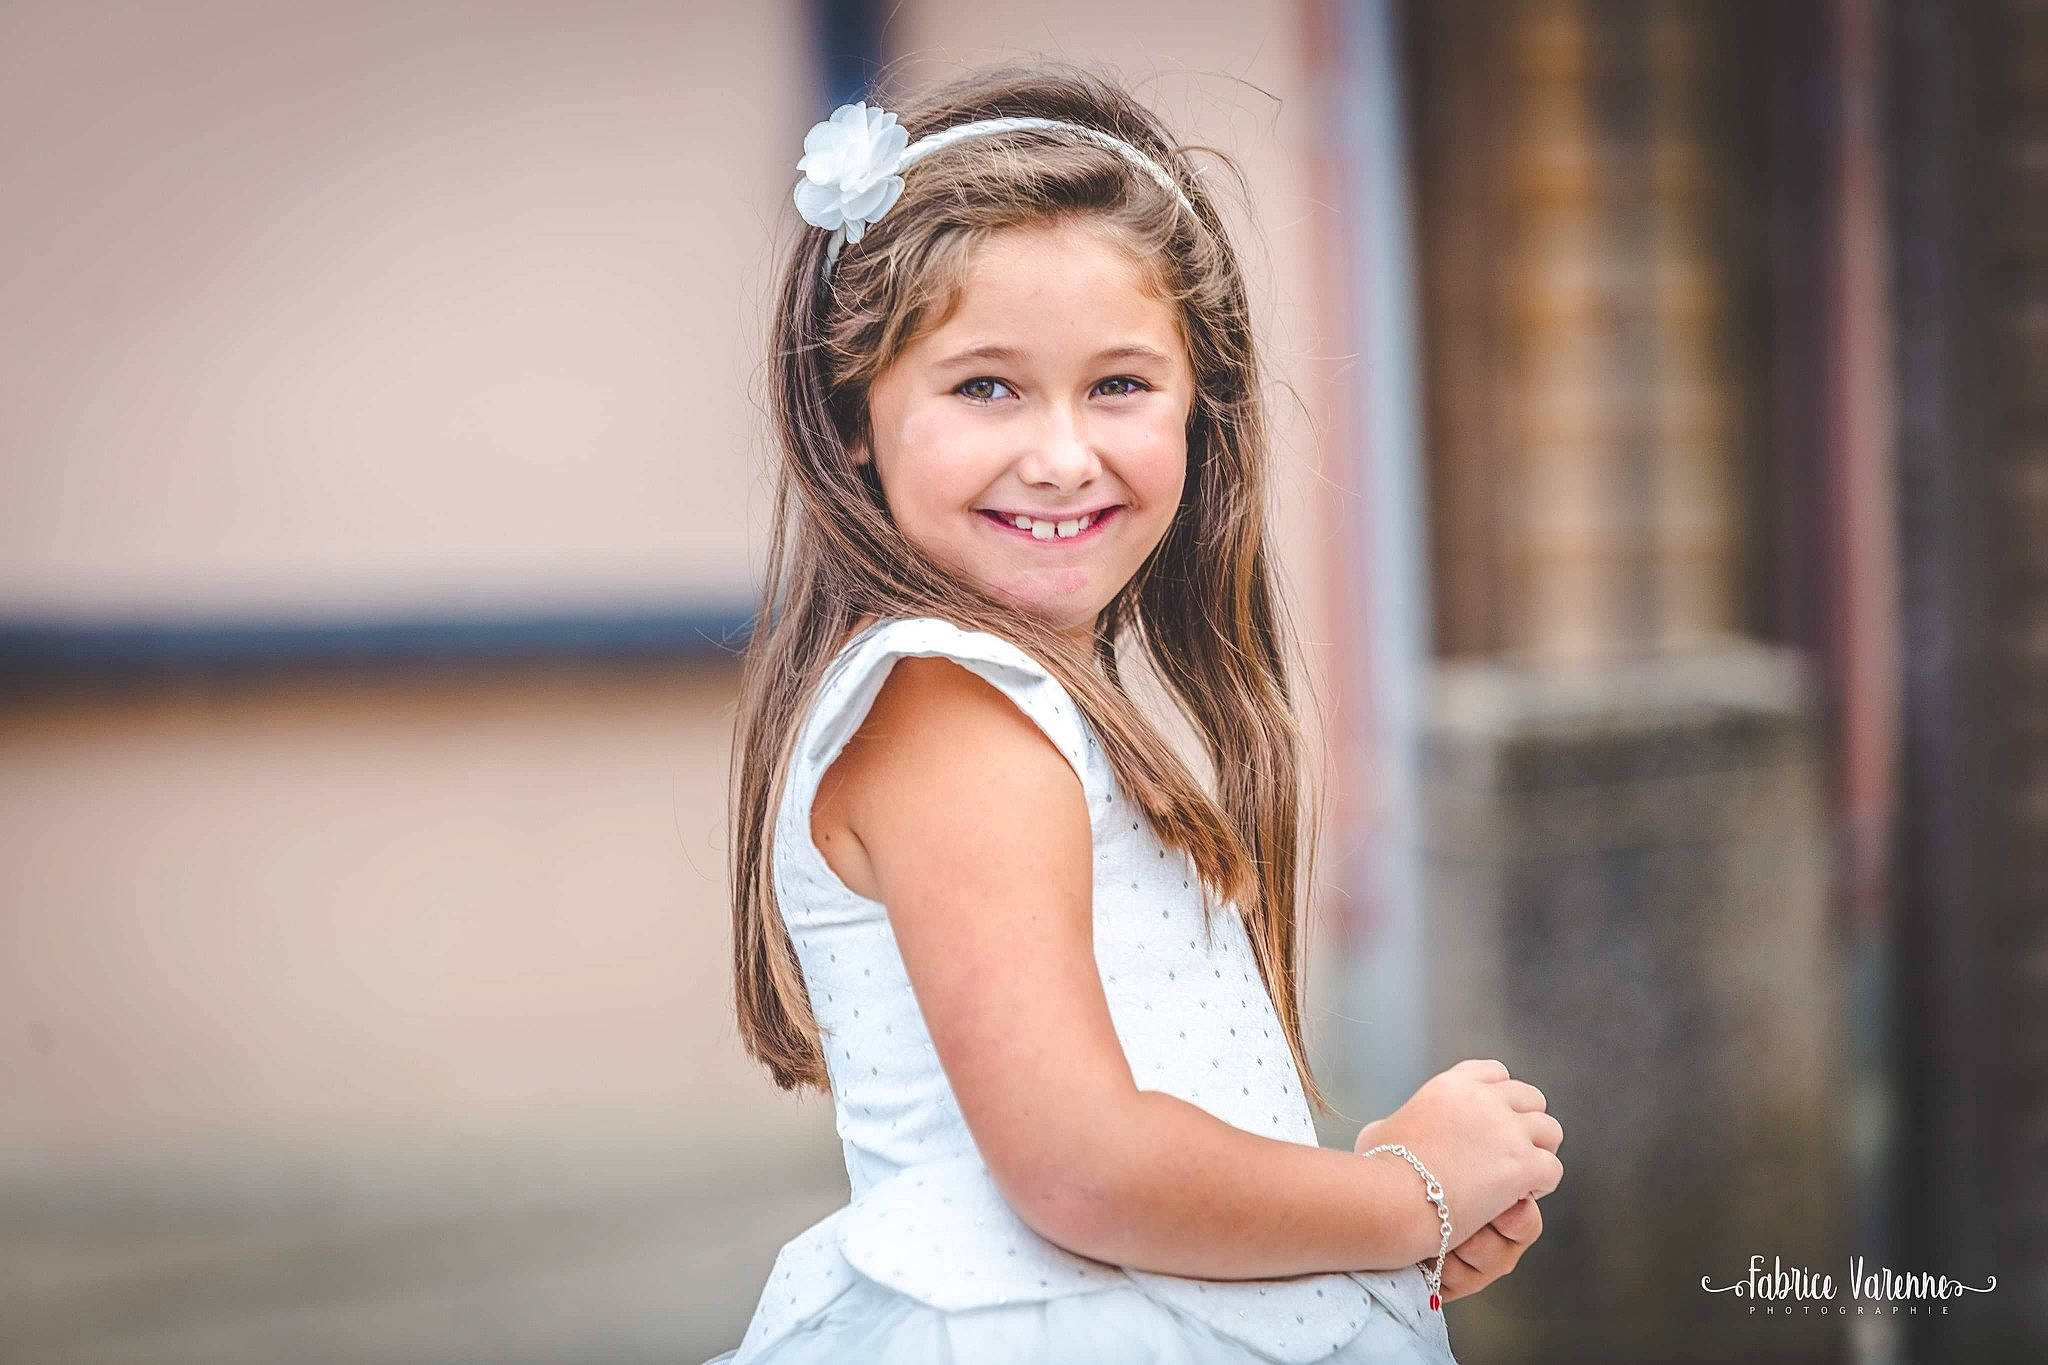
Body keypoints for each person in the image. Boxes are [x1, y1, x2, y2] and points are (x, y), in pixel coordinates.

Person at [708, 61, 1563, 1365]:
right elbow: (1085, 1169)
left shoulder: (1026, 698)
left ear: (1197, 404)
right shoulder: (952, 706)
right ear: (854, 417)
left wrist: (1363, 1213)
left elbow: (1155, 1128)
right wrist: (1406, 1196)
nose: (1061, 452)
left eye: (1118, 385)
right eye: (985, 386)